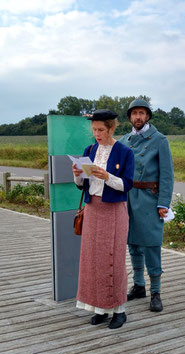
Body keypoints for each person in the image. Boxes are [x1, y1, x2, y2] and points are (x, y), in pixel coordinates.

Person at [72, 109, 134, 329]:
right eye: (94, 130)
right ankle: (100, 308)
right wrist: (78, 174)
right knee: (93, 261)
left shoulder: (125, 152)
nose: (97, 134)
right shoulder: (90, 150)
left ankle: (119, 310)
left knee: (113, 261)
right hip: (92, 210)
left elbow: (126, 185)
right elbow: (82, 186)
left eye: (100, 130)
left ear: (111, 128)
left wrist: (107, 176)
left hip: (114, 210)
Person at [120, 98, 174, 312]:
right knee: (133, 244)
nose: (138, 117)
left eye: (142, 113)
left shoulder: (159, 140)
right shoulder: (124, 140)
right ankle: (139, 286)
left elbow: (167, 176)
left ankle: (156, 292)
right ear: (130, 117)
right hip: (128, 198)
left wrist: (163, 203)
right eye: (134, 113)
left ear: (148, 116)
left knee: (151, 245)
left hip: (150, 199)